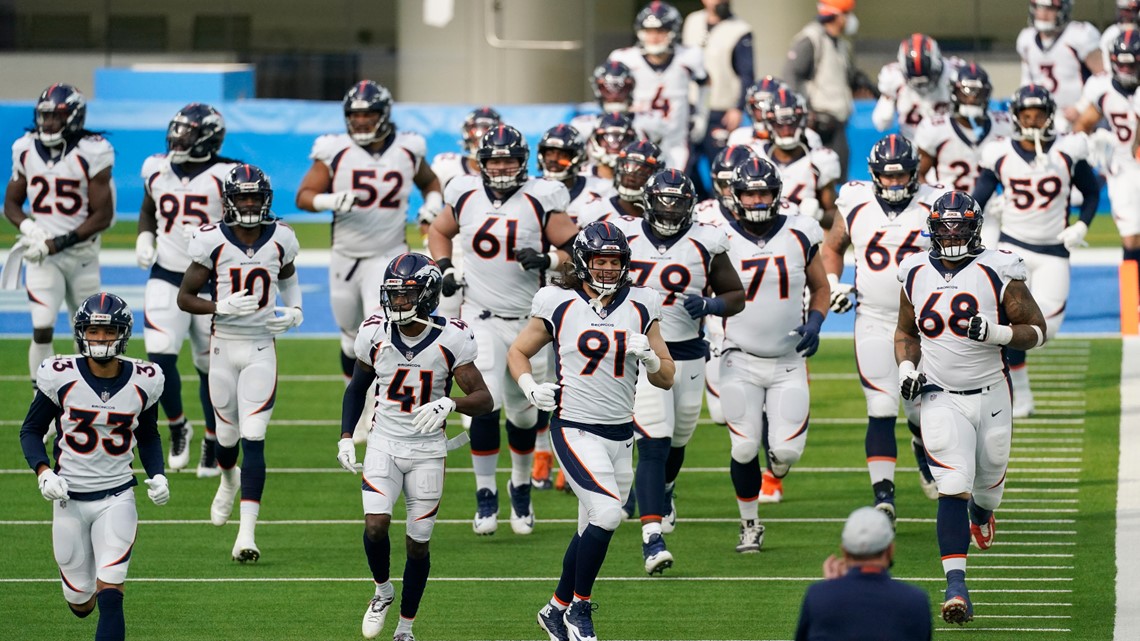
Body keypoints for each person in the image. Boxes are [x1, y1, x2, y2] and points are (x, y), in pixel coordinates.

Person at [508, 221, 675, 641]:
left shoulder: (642, 303)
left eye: (614, 261)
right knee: (607, 513)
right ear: (583, 262)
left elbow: (667, 376)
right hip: (574, 427)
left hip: (621, 434)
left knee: (590, 528)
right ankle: (579, 608)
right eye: (599, 261)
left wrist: (652, 361)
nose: (606, 269)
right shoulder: (557, 301)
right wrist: (529, 385)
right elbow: (518, 351)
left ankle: (555, 607)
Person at [895, 190, 1048, 624]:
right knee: (952, 486)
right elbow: (905, 331)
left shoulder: (999, 268)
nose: (952, 234)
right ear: (932, 229)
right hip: (939, 395)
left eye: (960, 226)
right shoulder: (913, 271)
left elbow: (1037, 332)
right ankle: (956, 586)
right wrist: (907, 368)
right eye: (944, 226)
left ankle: (982, 514)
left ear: (975, 227)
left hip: (992, 393)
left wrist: (997, 333)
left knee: (986, 489)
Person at [427, 125, 579, 536]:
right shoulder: (464, 193)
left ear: (522, 162)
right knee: (485, 403)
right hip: (480, 314)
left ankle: (521, 485)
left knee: (524, 412)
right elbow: (439, 231)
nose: (501, 166)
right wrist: (443, 267)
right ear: (482, 162)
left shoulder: (542, 197)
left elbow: (576, 249)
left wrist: (548, 259)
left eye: (509, 160)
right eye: (495, 159)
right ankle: (484, 493)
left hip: (530, 320)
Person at [337, 253, 493, 641]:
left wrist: (450, 402)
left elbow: (484, 399)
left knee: (417, 545)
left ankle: (405, 628)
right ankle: (382, 591)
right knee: (375, 527)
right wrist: (344, 436)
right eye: (393, 295)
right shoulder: (374, 332)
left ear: (427, 296)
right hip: (384, 443)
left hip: (427, 450)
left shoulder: (452, 338)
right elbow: (357, 388)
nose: (397, 303)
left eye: (406, 295)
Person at [610, 169, 744, 574]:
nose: (670, 212)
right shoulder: (625, 235)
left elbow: (735, 295)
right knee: (655, 438)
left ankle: (665, 490)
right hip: (641, 353)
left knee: (680, 435)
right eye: (663, 203)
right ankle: (652, 537)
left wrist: (710, 307)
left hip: (687, 353)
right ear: (647, 202)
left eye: (678, 204)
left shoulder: (706, 240)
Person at [19, 292, 168, 641]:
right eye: (94, 331)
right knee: (81, 603)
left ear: (123, 333)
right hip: (68, 497)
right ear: (81, 332)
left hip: (117, 496)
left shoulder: (145, 379)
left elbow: (147, 435)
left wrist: (157, 473)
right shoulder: (60, 373)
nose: (100, 339)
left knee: (111, 593)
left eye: (108, 331)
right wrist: (43, 472)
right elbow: (31, 431)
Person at [178, 164, 304, 561]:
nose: (249, 203)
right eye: (242, 196)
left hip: (260, 348)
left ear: (265, 199)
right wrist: (219, 305)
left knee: (254, 434)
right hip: (222, 348)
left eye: (254, 197)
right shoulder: (211, 240)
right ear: (229, 201)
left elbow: (288, 276)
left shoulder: (281, 237)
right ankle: (228, 481)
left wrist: (296, 308)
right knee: (228, 441)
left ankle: (246, 535)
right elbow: (185, 297)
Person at [821, 134, 947, 520]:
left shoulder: (935, 201)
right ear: (874, 175)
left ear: (915, 174)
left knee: (920, 406)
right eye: (887, 177)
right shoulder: (855, 201)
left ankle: (922, 448)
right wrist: (834, 282)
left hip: (924, 323)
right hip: (874, 317)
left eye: (901, 176)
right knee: (880, 405)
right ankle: (884, 496)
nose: (894, 184)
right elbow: (832, 247)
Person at [296, 80, 444, 395]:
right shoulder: (334, 149)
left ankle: (379, 405)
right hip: (346, 256)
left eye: (368, 114)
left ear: (384, 113)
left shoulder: (407, 147)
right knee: (350, 338)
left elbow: (431, 183)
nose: (361, 121)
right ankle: (356, 400)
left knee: (383, 330)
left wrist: (431, 207)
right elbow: (304, 196)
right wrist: (328, 201)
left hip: (388, 256)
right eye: (355, 114)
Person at [971, 84, 1099, 418]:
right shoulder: (999, 153)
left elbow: (1092, 191)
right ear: (1015, 117)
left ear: (1049, 116)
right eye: (1026, 115)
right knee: (1016, 325)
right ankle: (1020, 394)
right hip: (1013, 249)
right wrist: (980, 218)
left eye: (1038, 114)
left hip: (1055, 249)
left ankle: (1010, 368)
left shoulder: (1068, 149)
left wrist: (1082, 223)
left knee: (1048, 329)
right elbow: (977, 199)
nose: (1032, 120)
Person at [720, 157, 829, 552]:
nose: (757, 199)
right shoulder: (720, 238)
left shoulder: (800, 233)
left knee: (783, 452)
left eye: (763, 191)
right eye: (750, 192)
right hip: (739, 357)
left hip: (787, 359)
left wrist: (816, 322)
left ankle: (777, 467)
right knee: (744, 446)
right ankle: (749, 524)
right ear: (737, 196)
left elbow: (820, 287)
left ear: (776, 193)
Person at [135, 103, 239, 476]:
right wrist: (145, 237)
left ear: (208, 136)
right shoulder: (156, 167)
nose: (178, 138)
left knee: (209, 367)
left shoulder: (227, 174)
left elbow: (245, 222)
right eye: (176, 130)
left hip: (212, 280)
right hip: (166, 273)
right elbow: (150, 208)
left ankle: (213, 437)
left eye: (188, 132)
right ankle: (179, 425)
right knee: (160, 357)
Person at [4, 84, 114, 397]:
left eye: (56, 117)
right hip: (42, 256)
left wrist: (55, 243)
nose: (48, 123)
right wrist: (29, 228)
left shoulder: (93, 150)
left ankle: (89, 397)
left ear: (74, 117)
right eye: (45, 116)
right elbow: (11, 203)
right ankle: (45, 402)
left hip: (81, 255)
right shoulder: (25, 148)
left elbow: (102, 216)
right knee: (41, 327)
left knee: (91, 333)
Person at [914, 62, 1012, 249]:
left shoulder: (1004, 125)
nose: (971, 100)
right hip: (947, 213)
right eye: (965, 94)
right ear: (954, 93)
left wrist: (1009, 196)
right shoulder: (936, 128)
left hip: (988, 212)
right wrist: (932, 198)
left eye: (978, 94)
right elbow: (918, 174)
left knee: (988, 264)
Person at [795, 507, 932, 641]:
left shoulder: (817, 596)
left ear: (844, 552)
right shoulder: (916, 600)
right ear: (890, 550)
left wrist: (830, 592)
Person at [609, 1, 708, 170]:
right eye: (649, 31)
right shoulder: (625, 59)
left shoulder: (688, 56)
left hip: (675, 139)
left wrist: (701, 115)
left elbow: (705, 82)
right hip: (637, 139)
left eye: (660, 31)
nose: (654, 37)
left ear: (672, 31)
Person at [429, 107, 502, 320]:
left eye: (487, 131)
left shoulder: (506, 172)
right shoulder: (447, 165)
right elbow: (429, 211)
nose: (479, 137)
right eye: (477, 130)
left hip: (489, 245)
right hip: (452, 243)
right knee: (448, 305)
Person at [1076, 32, 1140, 269]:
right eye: (1122, 63)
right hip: (1122, 170)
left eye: (1131, 63)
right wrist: (1090, 143)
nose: (1126, 69)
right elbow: (1082, 125)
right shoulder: (1104, 93)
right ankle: (1134, 299)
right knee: (1131, 236)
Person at [681, 0, 755, 199]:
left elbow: (746, 74)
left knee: (722, 167)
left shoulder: (740, 29)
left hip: (720, 109)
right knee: (685, 164)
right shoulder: (693, 21)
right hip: (692, 108)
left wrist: (738, 108)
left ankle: (721, 212)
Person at [783, 0, 859, 182]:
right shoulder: (811, 38)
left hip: (837, 122)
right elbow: (791, 75)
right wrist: (805, 112)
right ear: (837, 16)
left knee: (838, 175)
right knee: (816, 179)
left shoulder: (839, 44)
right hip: (817, 124)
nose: (850, 19)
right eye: (846, 14)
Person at [752, 89, 840, 227]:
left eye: (791, 123)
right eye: (779, 124)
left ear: (802, 121)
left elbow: (836, 216)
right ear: (769, 124)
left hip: (803, 240)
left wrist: (819, 215)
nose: (786, 130)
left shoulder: (819, 160)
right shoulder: (755, 156)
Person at [1017, 0, 1103, 132]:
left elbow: (1102, 77)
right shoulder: (1026, 39)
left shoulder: (1080, 35)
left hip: (1078, 119)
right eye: (1039, 8)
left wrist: (1081, 107)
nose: (1043, 14)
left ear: (1063, 10)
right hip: (1043, 116)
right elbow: (1026, 80)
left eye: (1050, 8)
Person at [873, 34, 957, 142]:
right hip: (912, 142)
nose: (922, 87)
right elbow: (881, 123)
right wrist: (888, 101)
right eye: (916, 81)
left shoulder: (953, 74)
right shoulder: (893, 77)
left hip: (945, 142)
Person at [577, 140, 663, 226]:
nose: (631, 177)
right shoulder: (595, 210)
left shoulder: (663, 218)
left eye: (641, 172)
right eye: (626, 168)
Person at [570, 62, 637, 148]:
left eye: (622, 89)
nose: (615, 95)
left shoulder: (646, 123)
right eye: (607, 89)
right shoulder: (582, 125)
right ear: (598, 89)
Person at [1101, 0, 1139, 68]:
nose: (1126, 13)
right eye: (1124, 10)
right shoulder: (1111, 32)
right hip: (1116, 72)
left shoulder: (1138, 31)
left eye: (1133, 10)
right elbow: (1104, 57)